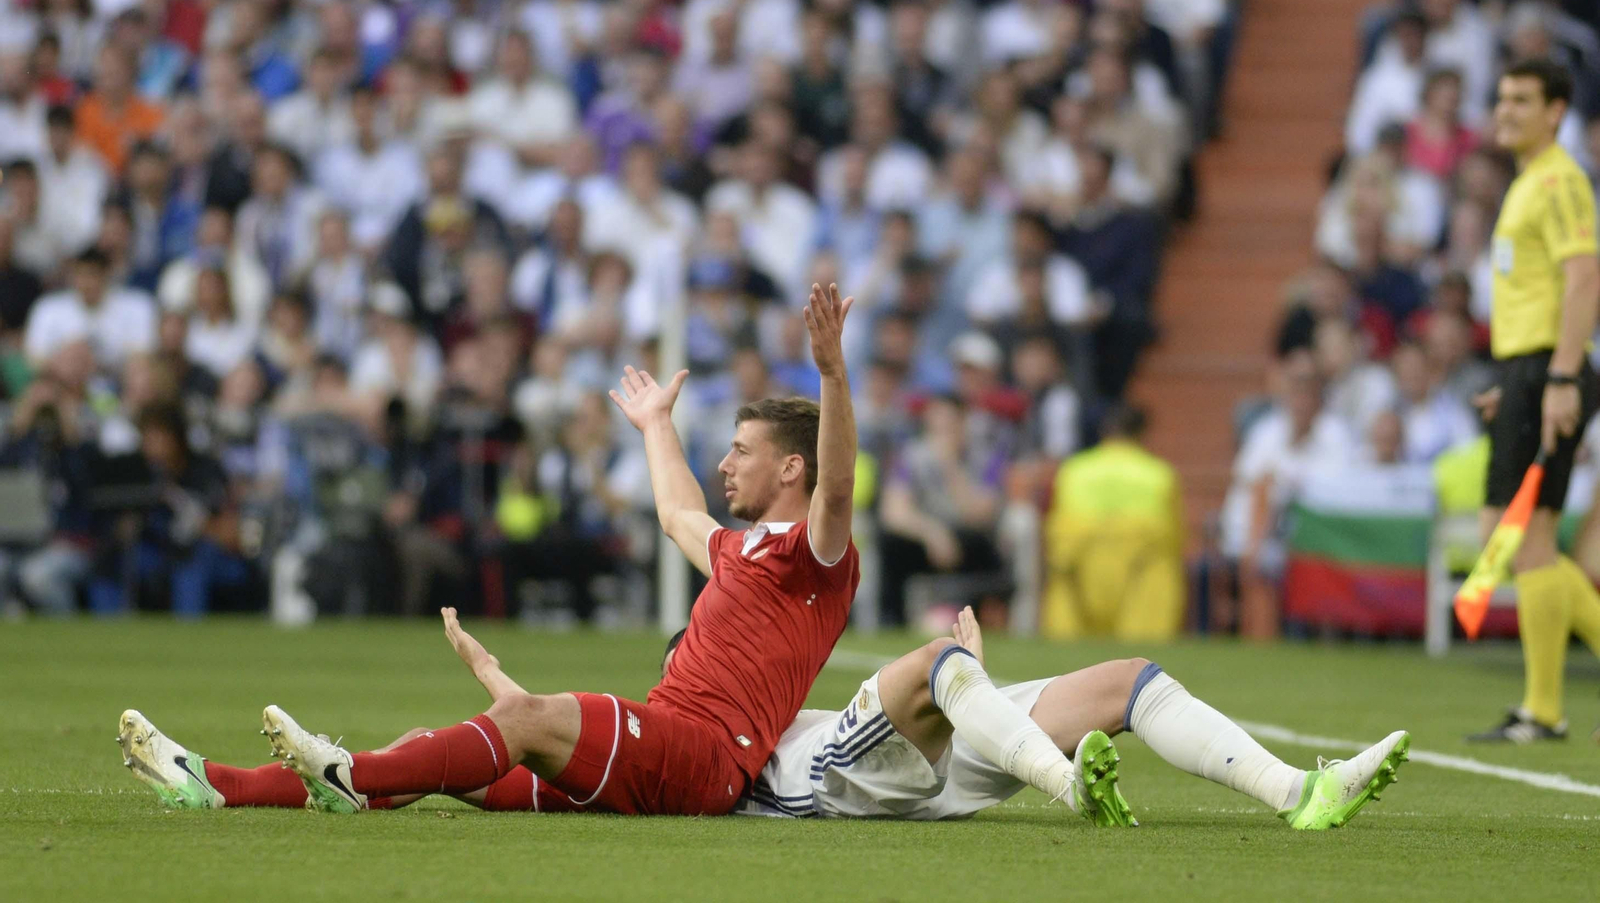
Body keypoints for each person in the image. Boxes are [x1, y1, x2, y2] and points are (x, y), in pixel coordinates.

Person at [121, 284, 865, 817]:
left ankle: (341, 773)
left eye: (742, 451)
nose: (727, 464)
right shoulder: (742, 550)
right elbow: (677, 513)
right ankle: (221, 783)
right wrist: (653, 426)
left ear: (791, 467)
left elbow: (835, 491)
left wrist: (832, 374)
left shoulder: (817, 556)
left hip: (703, 759)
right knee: (424, 752)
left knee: (528, 717)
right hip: (659, 742)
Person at [117, 606, 1412, 833]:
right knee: (479, 770)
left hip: (844, 767)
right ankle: (225, 786)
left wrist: (962, 659)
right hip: (840, 774)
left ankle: (1297, 791)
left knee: (1122, 675)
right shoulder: (727, 634)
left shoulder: (760, 601)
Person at [1467, 59, 1600, 742]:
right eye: (1500, 97)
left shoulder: (1562, 180)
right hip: (1528, 369)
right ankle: (1541, 710)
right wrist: (1516, 379)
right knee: (1513, 537)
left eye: (1521, 99)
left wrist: (1559, 377)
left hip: (1551, 370)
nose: (1505, 109)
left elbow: (1585, 279)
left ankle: (1542, 711)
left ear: (1555, 110)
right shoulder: (1527, 183)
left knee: (1524, 538)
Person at [1042, 404, 1185, 641]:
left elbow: (1056, 528)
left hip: (1084, 567)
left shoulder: (1073, 469)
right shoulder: (1160, 474)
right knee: (1140, 656)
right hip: (1140, 570)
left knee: (1069, 654)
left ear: (1104, 431)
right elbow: (1175, 537)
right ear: (1142, 433)